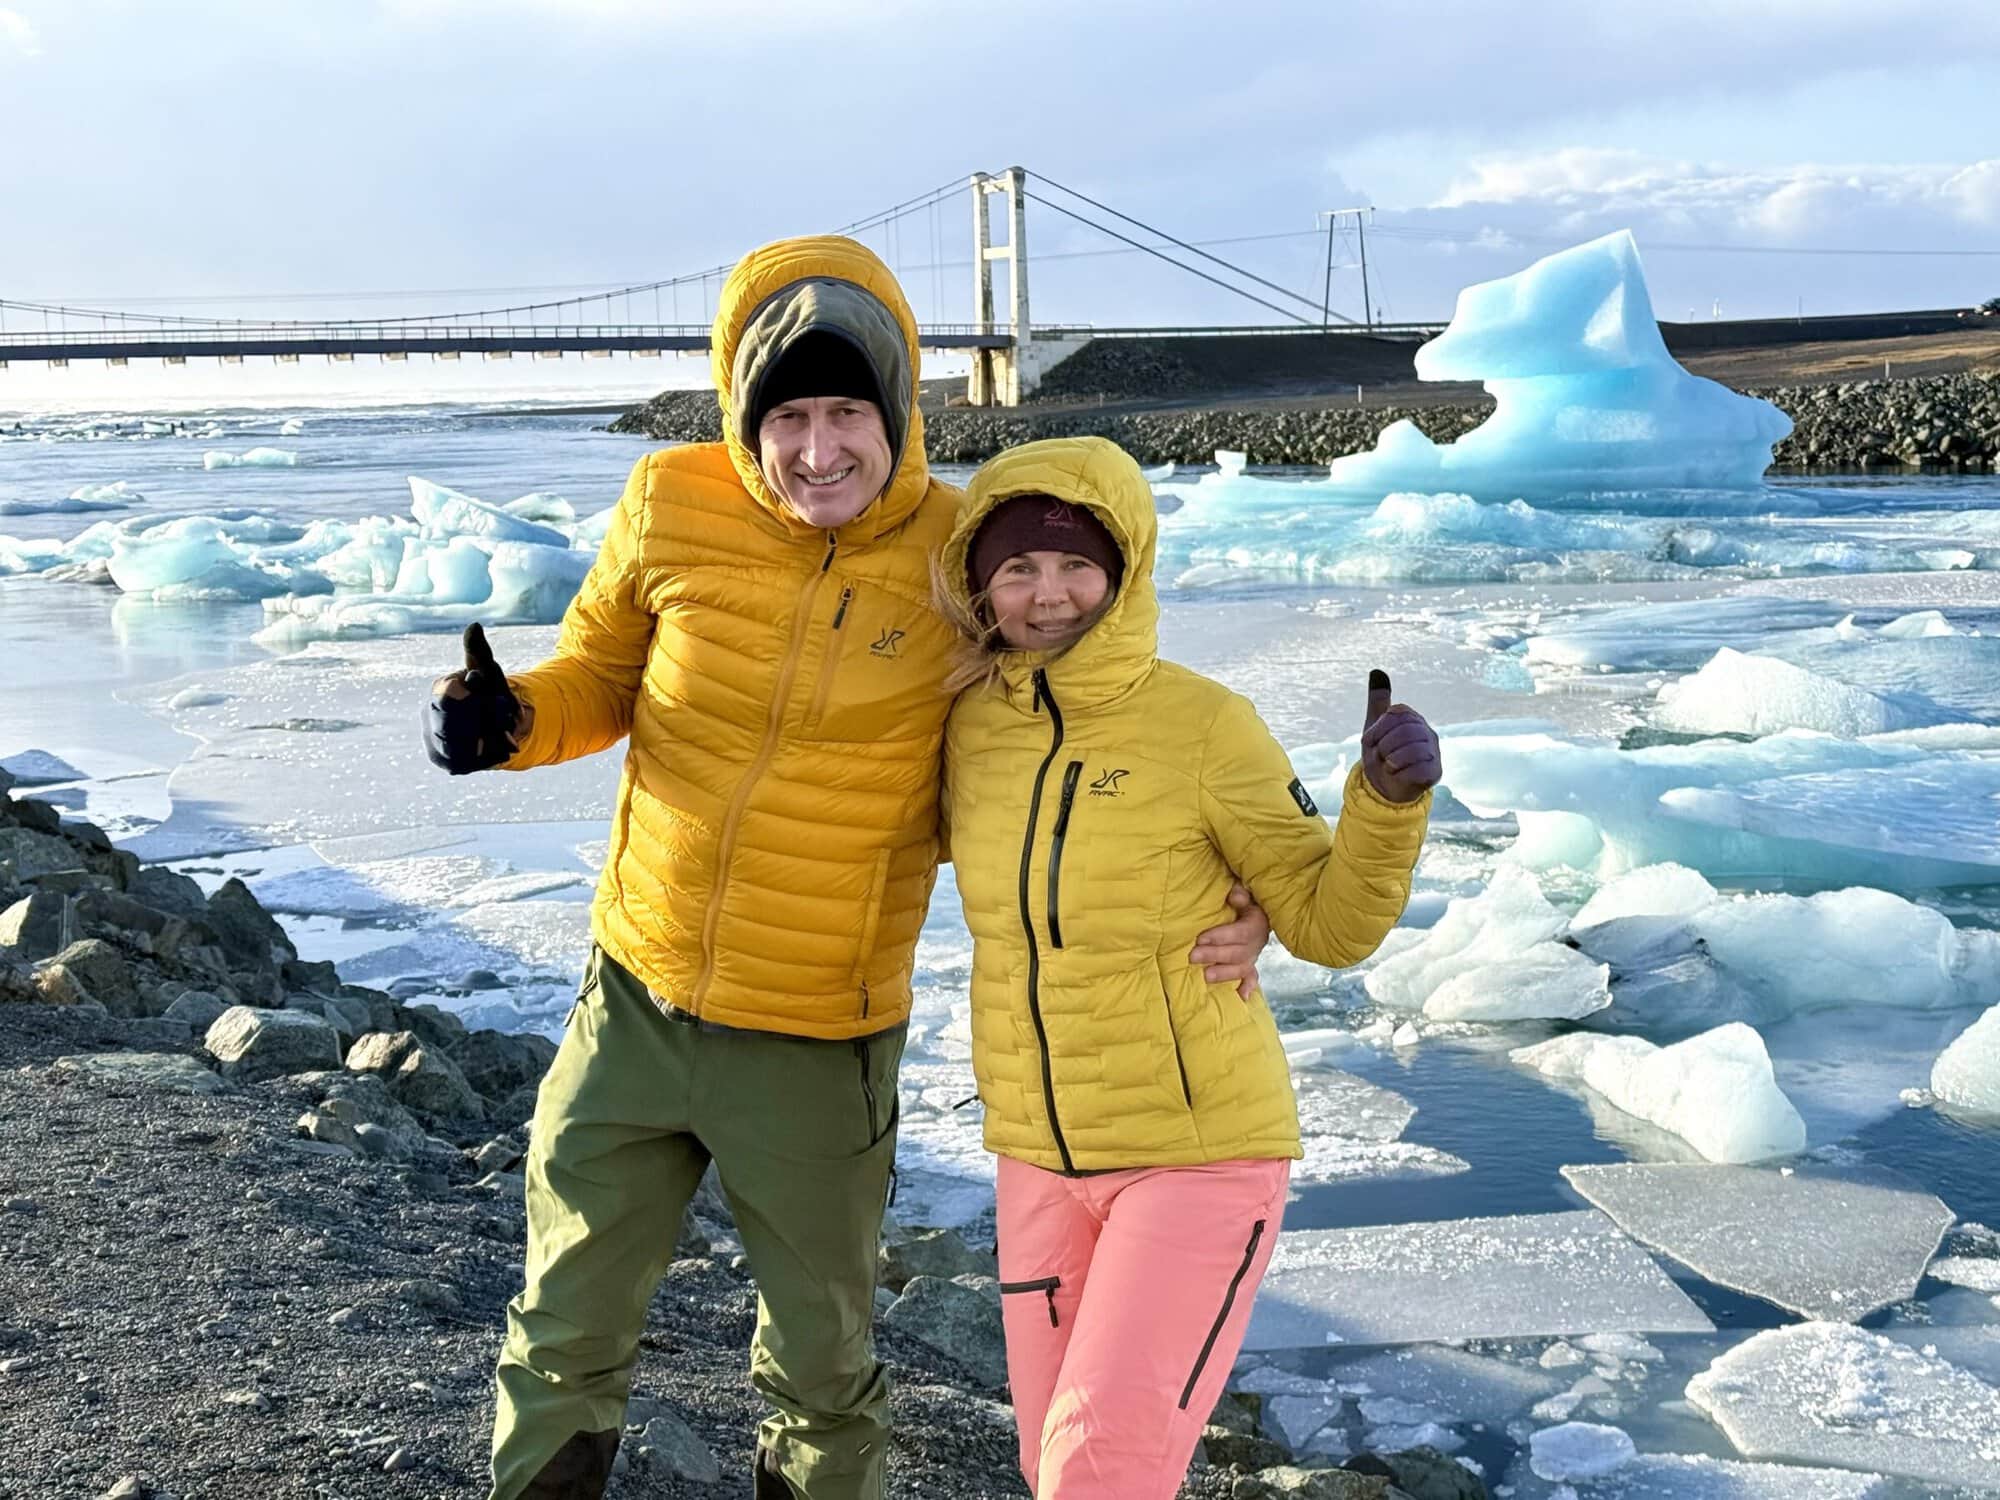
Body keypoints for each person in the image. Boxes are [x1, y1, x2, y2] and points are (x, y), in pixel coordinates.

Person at [421, 237, 1272, 1500]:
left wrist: (1231, 876)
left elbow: (1080, 714)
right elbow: (597, 680)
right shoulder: (668, 499)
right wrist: (507, 723)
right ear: (741, 416)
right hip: (636, 995)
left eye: (847, 415)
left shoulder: (953, 550)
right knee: (563, 1326)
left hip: (819, 1030)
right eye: (789, 418)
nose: (818, 449)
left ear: (899, 412)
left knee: (823, 1368)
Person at [936, 435, 1441, 1499]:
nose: (1048, 594)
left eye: (1075, 564)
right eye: (1016, 567)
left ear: (1121, 575)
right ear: (978, 582)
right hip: (1035, 1152)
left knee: (1100, 1471)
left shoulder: (1205, 725)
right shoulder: (969, 728)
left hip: (1194, 1153)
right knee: (1051, 1467)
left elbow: (1327, 923)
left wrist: (1385, 807)